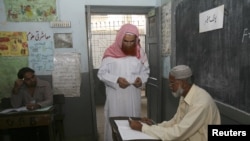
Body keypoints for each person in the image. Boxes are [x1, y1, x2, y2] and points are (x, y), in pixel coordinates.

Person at [129, 65, 221, 141]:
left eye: (172, 83)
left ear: (183, 83)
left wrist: (143, 128)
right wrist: (153, 125)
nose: (169, 86)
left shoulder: (200, 104)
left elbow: (178, 133)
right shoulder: (185, 95)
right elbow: (175, 122)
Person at [97, 23, 150, 141]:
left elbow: (145, 71)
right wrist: (116, 80)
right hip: (116, 97)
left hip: (133, 96)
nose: (129, 44)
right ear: (120, 38)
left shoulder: (140, 53)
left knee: (133, 124)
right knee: (115, 125)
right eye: (126, 41)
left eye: (132, 42)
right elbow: (101, 74)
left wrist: (141, 80)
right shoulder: (110, 52)